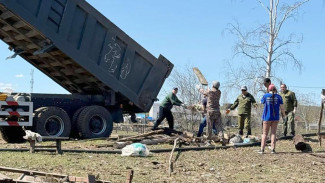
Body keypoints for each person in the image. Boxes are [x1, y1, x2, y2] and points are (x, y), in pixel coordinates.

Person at [259, 84, 285, 154]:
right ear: (275, 89)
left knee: (264, 134)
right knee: (273, 133)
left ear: (269, 89)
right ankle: (273, 149)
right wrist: (284, 116)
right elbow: (282, 108)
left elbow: (261, 102)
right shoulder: (279, 97)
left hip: (267, 117)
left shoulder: (266, 96)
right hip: (275, 117)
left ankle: (262, 149)